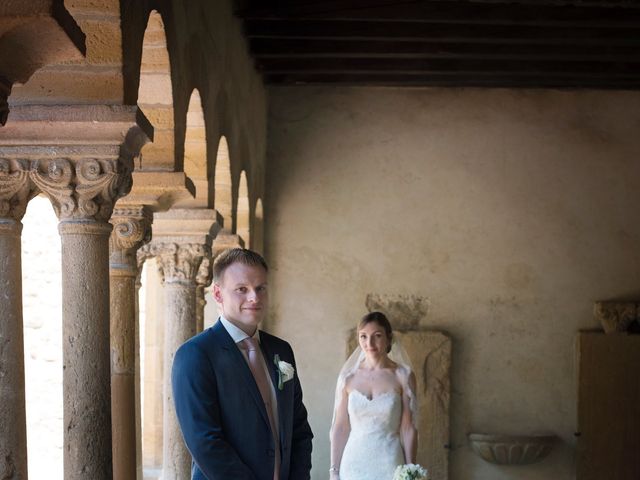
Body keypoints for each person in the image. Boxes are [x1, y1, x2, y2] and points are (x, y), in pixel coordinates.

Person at [172, 248, 314, 480]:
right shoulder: (195, 354)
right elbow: (204, 442)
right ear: (218, 294)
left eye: (260, 288)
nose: (254, 298)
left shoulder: (281, 350)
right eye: (242, 289)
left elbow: (298, 428)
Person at [329, 311, 418, 480]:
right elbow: (340, 427)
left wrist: (411, 469)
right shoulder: (348, 378)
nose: (369, 343)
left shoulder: (403, 376)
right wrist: (334, 471)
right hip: (353, 463)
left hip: (389, 462)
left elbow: (408, 428)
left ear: (388, 338)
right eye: (363, 336)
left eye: (377, 336)